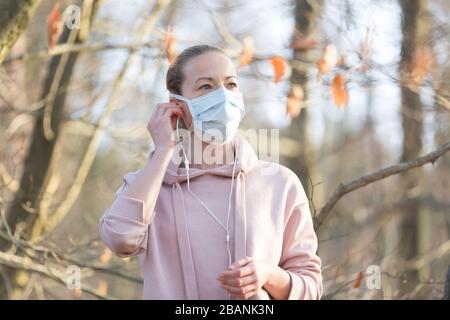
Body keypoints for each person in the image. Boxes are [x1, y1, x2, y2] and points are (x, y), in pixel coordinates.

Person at [99, 44, 322, 300]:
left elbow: (311, 288)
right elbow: (120, 239)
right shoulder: (150, 186)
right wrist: (163, 151)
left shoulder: (280, 184)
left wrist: (269, 274)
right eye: (206, 86)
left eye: (231, 84)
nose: (224, 96)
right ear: (177, 105)